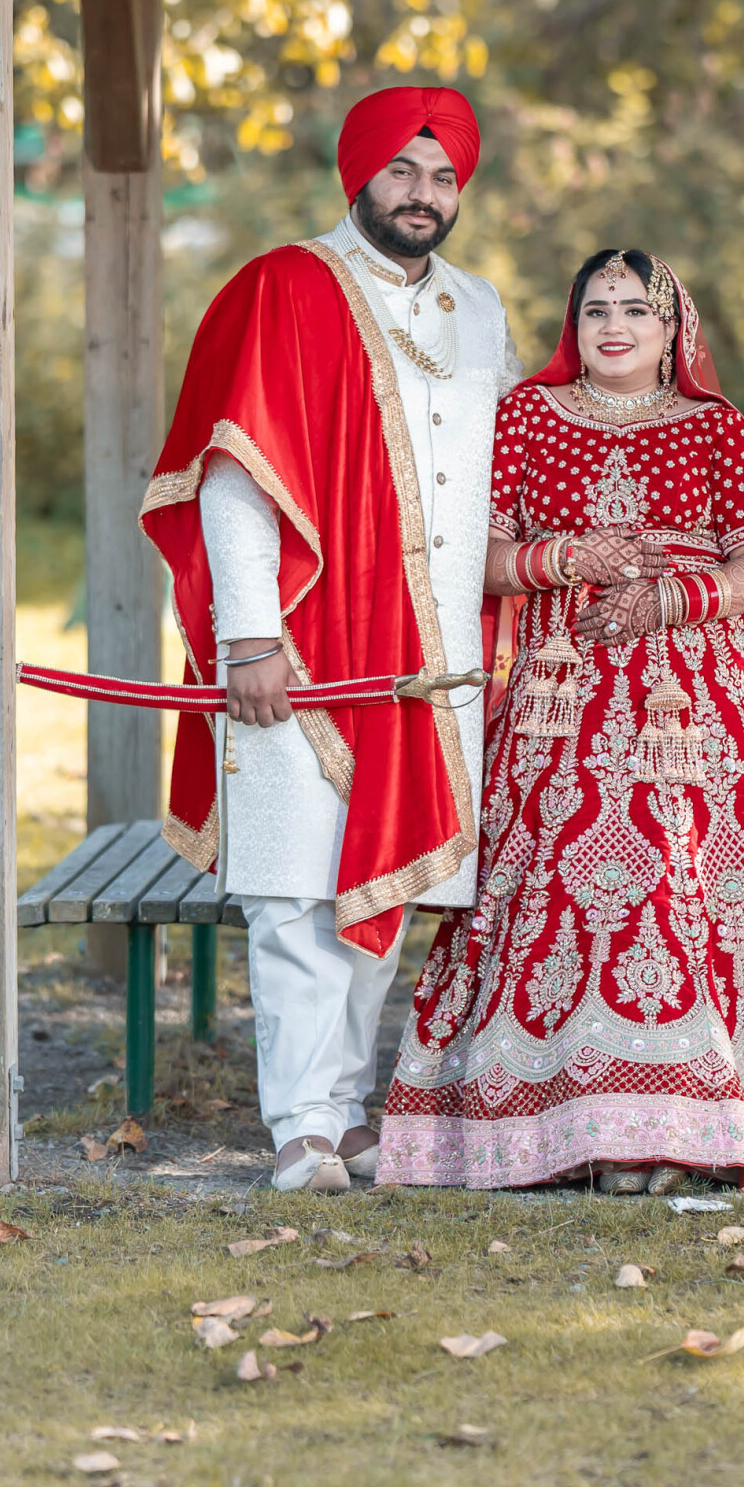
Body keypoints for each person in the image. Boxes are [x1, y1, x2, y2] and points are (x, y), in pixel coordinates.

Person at [377, 248, 744, 1195]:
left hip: (703, 696)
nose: (614, 326)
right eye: (595, 310)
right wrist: (566, 557)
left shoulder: (718, 430)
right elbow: (480, 554)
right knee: (566, 878)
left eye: (635, 309)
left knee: (716, 875)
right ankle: (572, 1130)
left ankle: (713, 1126)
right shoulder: (526, 420)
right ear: (572, 326)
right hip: (561, 692)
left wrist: (669, 599)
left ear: (675, 331)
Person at [141, 84, 520, 1194]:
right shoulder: (283, 287)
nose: (422, 195)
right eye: (402, 172)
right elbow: (232, 476)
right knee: (293, 887)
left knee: (387, 885)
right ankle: (301, 1126)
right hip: (303, 646)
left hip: (430, 655)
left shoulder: (478, 307)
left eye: (442, 175)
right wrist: (247, 636)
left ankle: (349, 1111)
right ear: (357, 174)